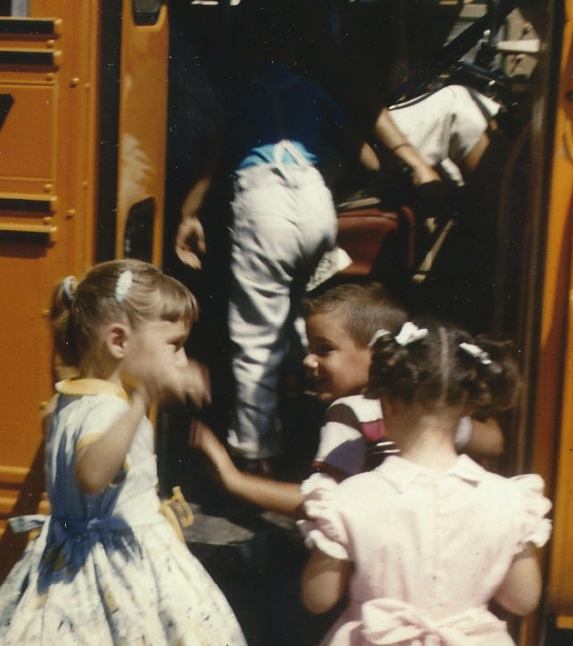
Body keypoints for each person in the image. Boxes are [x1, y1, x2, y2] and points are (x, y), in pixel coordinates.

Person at [0, 259, 247, 645]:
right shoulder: (111, 410)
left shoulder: (67, 398)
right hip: (111, 569)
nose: (182, 361)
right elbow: (90, 475)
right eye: (175, 345)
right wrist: (143, 399)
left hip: (77, 556)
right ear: (118, 341)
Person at [175, 59, 379, 473]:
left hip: (263, 202)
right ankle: (303, 422)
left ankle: (255, 457)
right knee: (294, 312)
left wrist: (189, 213)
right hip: (315, 199)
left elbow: (211, 154)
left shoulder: (233, 90)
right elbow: (371, 162)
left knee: (257, 336)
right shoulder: (310, 87)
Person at [299, 318, 551, 645]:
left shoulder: (350, 498)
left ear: (388, 403)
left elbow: (318, 598)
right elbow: (523, 599)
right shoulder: (509, 499)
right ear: (469, 407)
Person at [190, 282, 504, 517]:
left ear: (376, 352)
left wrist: (234, 480)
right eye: (308, 349)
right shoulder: (424, 405)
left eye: (324, 349)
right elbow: (494, 442)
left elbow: (322, 504)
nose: (308, 361)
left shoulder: (347, 413)